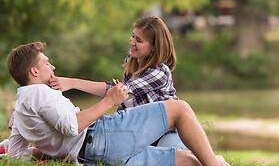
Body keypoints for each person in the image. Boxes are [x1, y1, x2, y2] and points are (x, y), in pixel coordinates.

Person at [7, 42, 249, 166]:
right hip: (101, 138)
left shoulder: (21, 105)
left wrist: (43, 157)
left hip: (92, 155)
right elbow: (71, 125)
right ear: (34, 72)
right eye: (47, 63)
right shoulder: (38, 93)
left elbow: (15, 154)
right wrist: (109, 101)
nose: (52, 67)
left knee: (190, 163)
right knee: (180, 108)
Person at [49, 16, 185, 149]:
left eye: (139, 40)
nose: (132, 42)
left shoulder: (160, 72)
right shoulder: (131, 59)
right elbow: (117, 91)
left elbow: (122, 92)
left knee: (172, 155)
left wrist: (73, 83)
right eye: (133, 36)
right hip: (142, 132)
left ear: (154, 47)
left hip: (165, 133)